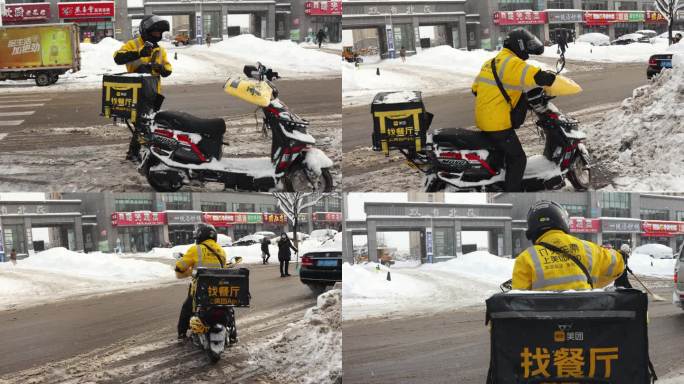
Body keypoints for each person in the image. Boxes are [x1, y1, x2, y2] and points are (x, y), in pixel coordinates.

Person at [471, 29, 557, 192]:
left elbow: (475, 89)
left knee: (504, 154)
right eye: (527, 46)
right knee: (519, 159)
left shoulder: (491, 62)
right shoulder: (512, 62)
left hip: (483, 119)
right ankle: (512, 195)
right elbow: (535, 75)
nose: (528, 52)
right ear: (520, 45)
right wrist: (550, 78)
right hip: (497, 124)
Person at [512, 201, 625, 291]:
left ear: (531, 229)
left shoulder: (525, 259)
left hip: (545, 319)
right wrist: (622, 255)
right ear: (563, 221)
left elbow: (518, 301)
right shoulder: (588, 249)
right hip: (586, 316)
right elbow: (618, 263)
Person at [113, 15, 173, 162]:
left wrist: (161, 69)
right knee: (142, 126)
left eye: (160, 33)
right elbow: (117, 58)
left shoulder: (159, 50)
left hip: (153, 94)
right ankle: (137, 154)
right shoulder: (133, 44)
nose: (157, 36)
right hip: (136, 94)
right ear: (146, 31)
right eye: (155, 33)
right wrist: (139, 52)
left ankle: (135, 153)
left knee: (146, 126)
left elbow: (168, 69)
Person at [174, 223, 237, 343]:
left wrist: (188, 271)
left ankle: (182, 333)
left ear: (200, 236)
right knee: (229, 308)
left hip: (200, 291)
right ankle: (233, 335)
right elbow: (223, 269)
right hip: (218, 290)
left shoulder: (195, 249)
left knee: (187, 307)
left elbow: (180, 268)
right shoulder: (221, 251)